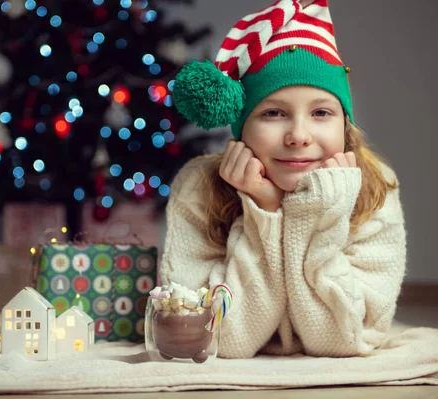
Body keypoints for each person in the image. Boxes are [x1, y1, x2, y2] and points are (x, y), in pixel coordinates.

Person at [160, 0, 406, 359]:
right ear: (243, 126)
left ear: (344, 124)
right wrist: (265, 210)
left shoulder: (376, 186)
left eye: (321, 112)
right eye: (273, 113)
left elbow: (345, 339)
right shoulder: (197, 188)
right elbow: (219, 339)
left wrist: (314, 214)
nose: (299, 136)